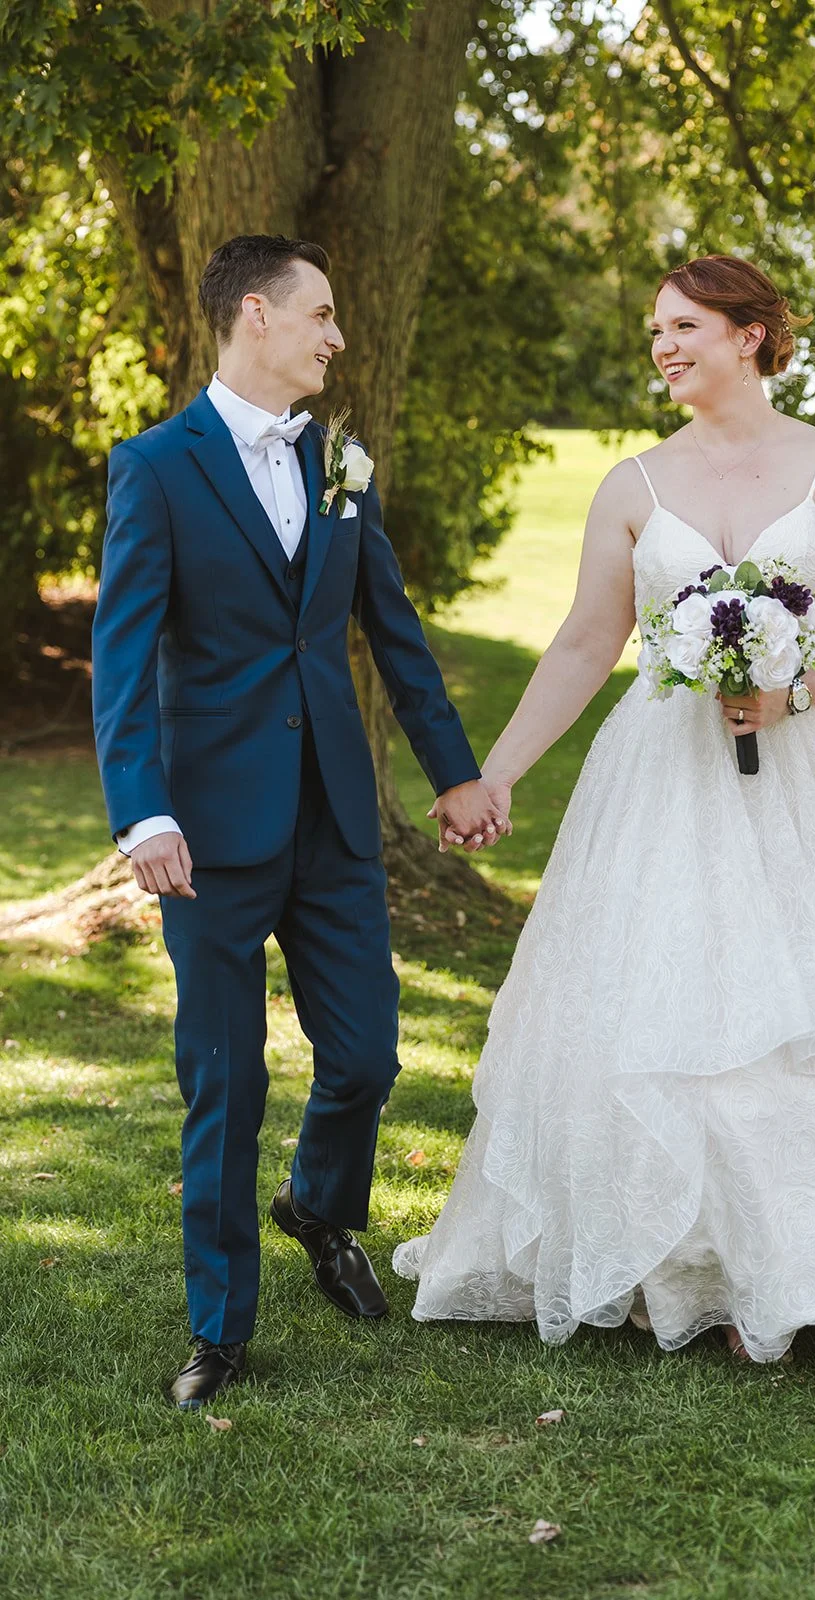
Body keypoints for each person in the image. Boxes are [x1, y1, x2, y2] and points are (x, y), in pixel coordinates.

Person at [396, 254, 815, 1365]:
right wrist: (496, 773)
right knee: (668, 1004)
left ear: (750, 335)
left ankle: (807, 1273)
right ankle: (673, 1268)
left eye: (684, 326)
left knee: (814, 1009)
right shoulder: (632, 486)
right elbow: (586, 642)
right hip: (663, 777)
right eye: (654, 330)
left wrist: (793, 693)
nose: (662, 346)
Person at [92, 233, 506, 1409]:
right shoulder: (154, 468)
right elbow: (121, 658)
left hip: (333, 815)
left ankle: (318, 1207)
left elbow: (394, 629)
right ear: (256, 316)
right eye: (320, 314)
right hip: (208, 830)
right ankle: (220, 1329)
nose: (337, 335)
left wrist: (453, 772)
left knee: (366, 1055)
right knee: (225, 1084)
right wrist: (143, 815)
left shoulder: (340, 463)